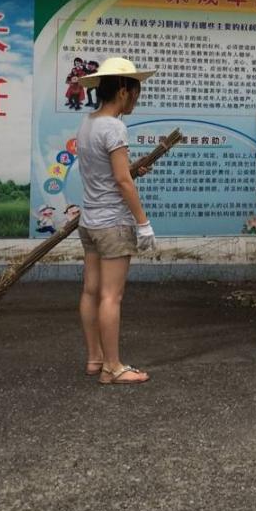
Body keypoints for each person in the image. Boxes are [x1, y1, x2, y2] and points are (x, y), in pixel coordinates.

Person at [74, 56, 158, 386]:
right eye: (136, 92)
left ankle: (95, 358)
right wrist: (143, 222)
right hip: (113, 225)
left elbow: (107, 172)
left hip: (90, 222)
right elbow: (123, 182)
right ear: (123, 90)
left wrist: (131, 168)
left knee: (90, 291)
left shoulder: (88, 122)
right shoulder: (114, 126)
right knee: (112, 296)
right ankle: (114, 367)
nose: (137, 99)